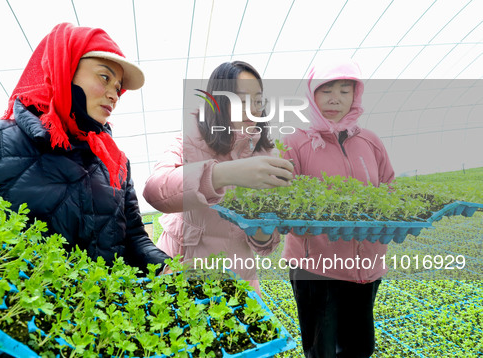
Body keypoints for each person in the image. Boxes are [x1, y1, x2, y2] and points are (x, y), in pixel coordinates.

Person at [0, 22, 170, 275]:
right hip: (19, 311)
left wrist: (166, 266)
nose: (114, 95)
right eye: (105, 77)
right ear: (63, 70)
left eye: (118, 88)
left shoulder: (114, 163)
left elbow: (134, 236)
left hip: (104, 310)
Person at [143, 61, 294, 292]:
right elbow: (155, 191)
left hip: (238, 275)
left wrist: (263, 233)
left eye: (257, 100)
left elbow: (266, 243)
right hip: (181, 266)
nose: (251, 109)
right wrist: (221, 174)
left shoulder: (267, 154)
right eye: (241, 100)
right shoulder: (189, 140)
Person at [280, 58, 394, 358]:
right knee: (322, 350)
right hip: (316, 269)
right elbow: (281, 200)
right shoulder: (295, 143)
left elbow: (389, 187)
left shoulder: (370, 141)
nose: (335, 99)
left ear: (355, 96)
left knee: (360, 347)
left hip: (366, 266)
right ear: (312, 95)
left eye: (345, 91)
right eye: (326, 90)